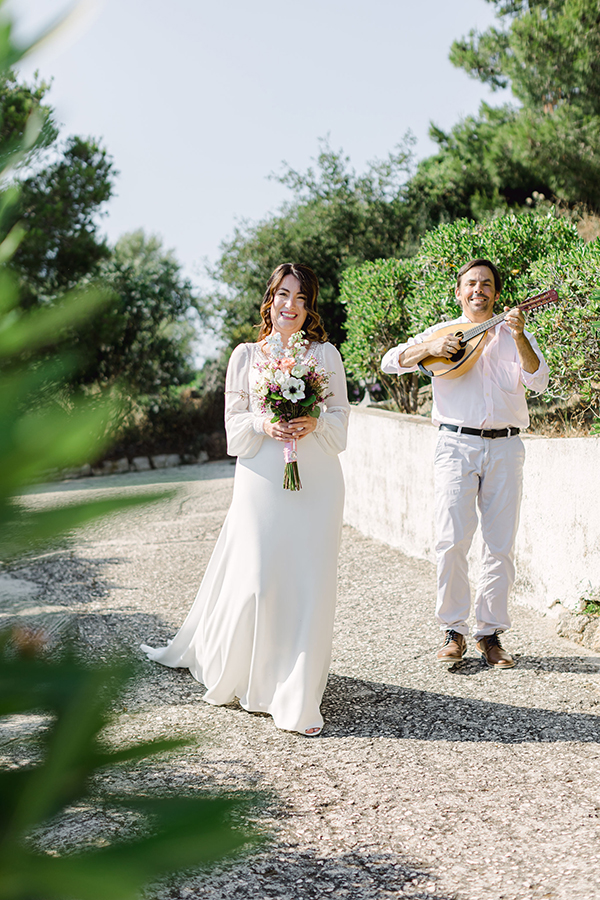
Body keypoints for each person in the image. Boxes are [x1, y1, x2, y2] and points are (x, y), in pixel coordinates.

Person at [142, 263, 349, 735]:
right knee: (261, 577)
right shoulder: (245, 356)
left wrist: (316, 421)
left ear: (310, 304)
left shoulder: (326, 355)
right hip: (260, 477)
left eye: (299, 297)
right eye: (282, 295)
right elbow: (234, 423)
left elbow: (340, 416)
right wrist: (264, 423)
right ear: (269, 300)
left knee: (309, 580)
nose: (289, 306)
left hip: (316, 478)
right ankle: (256, 676)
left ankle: (297, 695)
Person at [381, 259, 549, 668]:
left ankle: (490, 635)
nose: (479, 290)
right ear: (459, 292)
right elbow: (390, 360)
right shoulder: (443, 333)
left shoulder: (515, 334)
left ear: (496, 292)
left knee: (500, 544)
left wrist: (521, 336)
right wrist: (430, 348)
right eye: (471, 284)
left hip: (506, 447)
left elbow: (539, 380)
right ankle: (452, 630)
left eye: (487, 284)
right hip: (455, 444)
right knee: (451, 539)